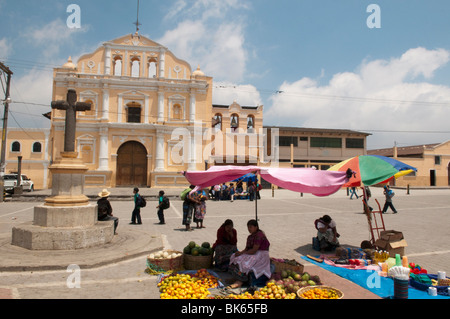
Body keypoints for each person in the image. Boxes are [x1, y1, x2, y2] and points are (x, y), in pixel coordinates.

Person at [228, 220, 271, 288]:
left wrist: (243, 254)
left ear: (256, 227)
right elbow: (247, 249)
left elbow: (254, 250)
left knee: (244, 262)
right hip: (252, 253)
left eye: (251, 227)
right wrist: (240, 253)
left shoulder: (259, 235)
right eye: (248, 227)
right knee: (234, 257)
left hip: (261, 254)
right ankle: (237, 278)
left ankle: (241, 280)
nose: (249, 229)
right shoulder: (250, 237)